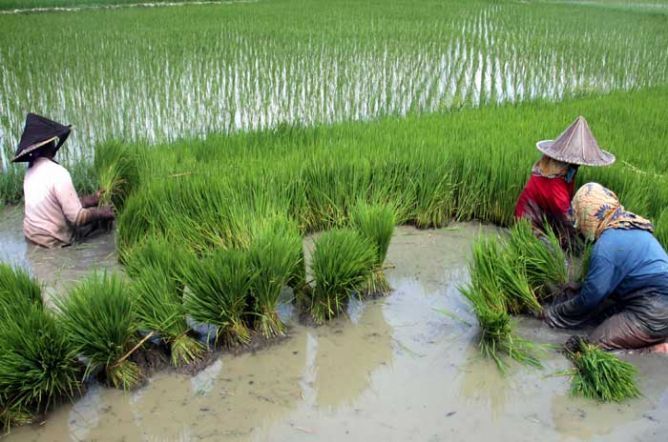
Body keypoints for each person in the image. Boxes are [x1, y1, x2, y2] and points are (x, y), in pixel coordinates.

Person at [544, 182, 668, 353]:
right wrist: (579, 288)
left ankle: (655, 349)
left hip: (654, 310)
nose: (578, 227)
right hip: (650, 300)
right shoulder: (628, 226)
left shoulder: (606, 246)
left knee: (589, 348)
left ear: (588, 215)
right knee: (598, 317)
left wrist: (555, 314)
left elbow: (592, 296)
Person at [11, 113, 115, 248]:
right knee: (101, 223)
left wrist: (93, 198)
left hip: (32, 238)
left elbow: (56, 204)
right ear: (50, 145)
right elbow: (77, 218)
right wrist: (101, 212)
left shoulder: (30, 171)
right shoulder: (58, 173)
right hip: (53, 241)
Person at [514, 116, 615, 247]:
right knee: (558, 257)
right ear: (564, 165)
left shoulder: (554, 172)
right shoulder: (554, 185)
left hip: (545, 218)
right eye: (574, 165)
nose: (576, 168)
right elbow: (567, 217)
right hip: (529, 226)